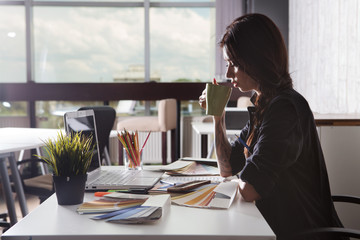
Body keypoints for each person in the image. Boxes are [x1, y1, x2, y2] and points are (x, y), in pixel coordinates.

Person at [199, 13, 346, 240]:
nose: (228, 74)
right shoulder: (264, 106)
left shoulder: (285, 109)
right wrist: (218, 116)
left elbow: (250, 190)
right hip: (274, 227)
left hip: (303, 233)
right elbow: (228, 169)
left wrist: (244, 179)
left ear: (256, 60)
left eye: (234, 64)